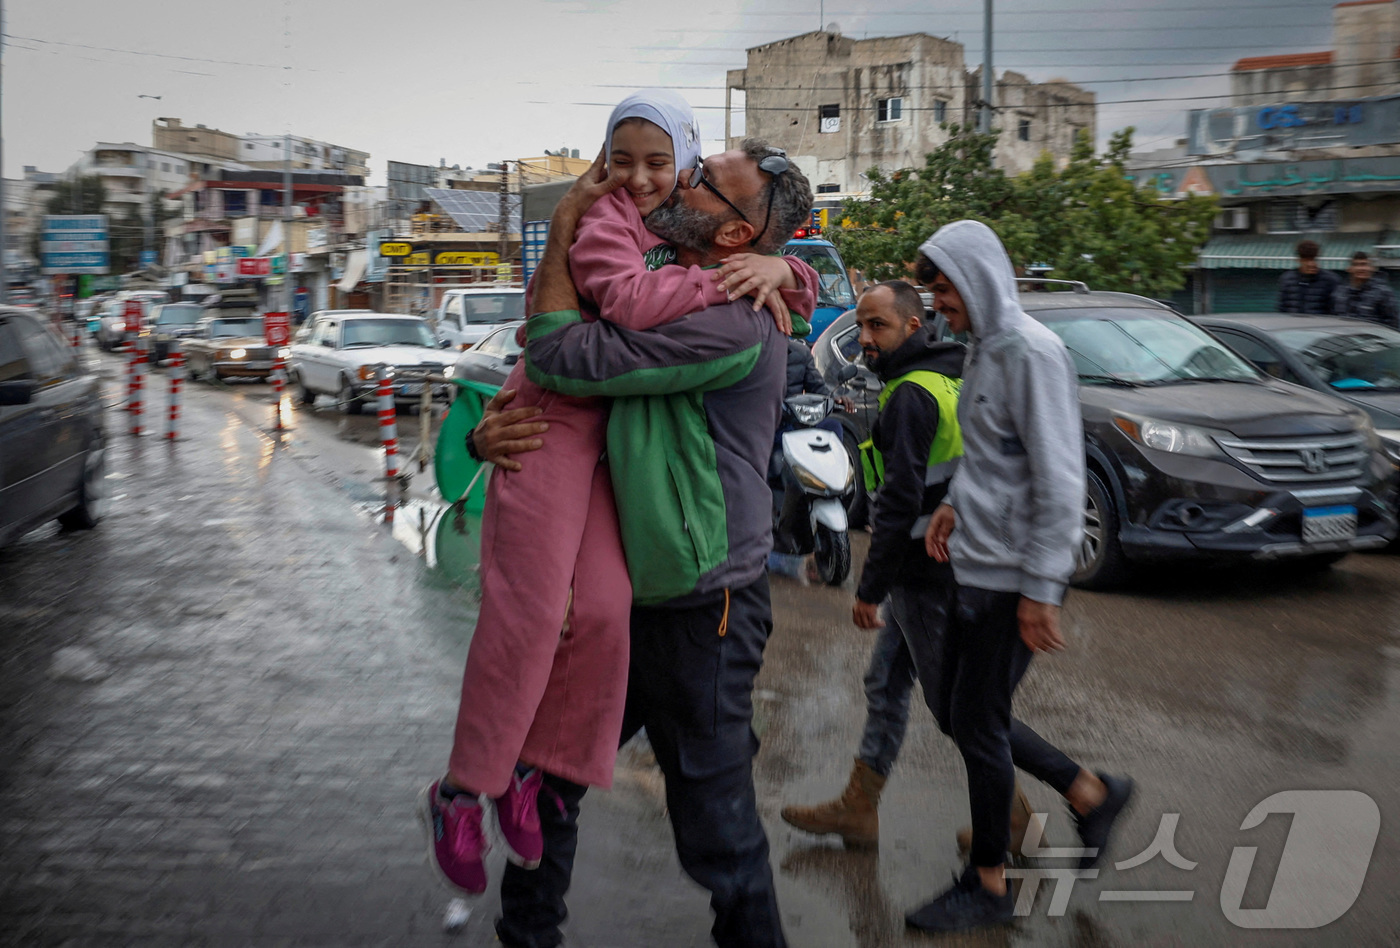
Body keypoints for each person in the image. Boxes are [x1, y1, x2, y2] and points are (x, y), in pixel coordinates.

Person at [419, 93, 817, 899]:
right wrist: (482, 435)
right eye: (686, 171)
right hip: (636, 571)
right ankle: (507, 874)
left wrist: (790, 270)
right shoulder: (670, 258)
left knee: (717, 829)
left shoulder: (738, 312)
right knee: (553, 768)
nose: (676, 186)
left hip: (707, 602)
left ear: (737, 234)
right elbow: (556, 373)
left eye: (697, 178)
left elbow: (565, 356)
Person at [912, 220, 1135, 933]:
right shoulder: (984, 349)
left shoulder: (1035, 354)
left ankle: (989, 882)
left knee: (975, 724)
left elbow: (1060, 476)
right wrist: (953, 505)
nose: (937, 302)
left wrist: (1043, 588)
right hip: (978, 560)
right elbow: (991, 456)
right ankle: (1090, 792)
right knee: (960, 711)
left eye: (944, 288)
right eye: (934, 290)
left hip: (1015, 576)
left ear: (976, 278)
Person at [1333, 251, 1398, 327]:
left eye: (1365, 264)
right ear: (1349, 269)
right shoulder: (1340, 293)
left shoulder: (1383, 293)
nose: (1361, 268)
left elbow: (1393, 322)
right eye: (1356, 265)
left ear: (1372, 268)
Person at [1276, 239, 1341, 315]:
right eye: (1307, 260)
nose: (1312, 264)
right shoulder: (1287, 279)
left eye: (1314, 259)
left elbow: (1335, 309)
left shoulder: (1330, 280)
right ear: (1299, 260)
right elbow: (1282, 307)